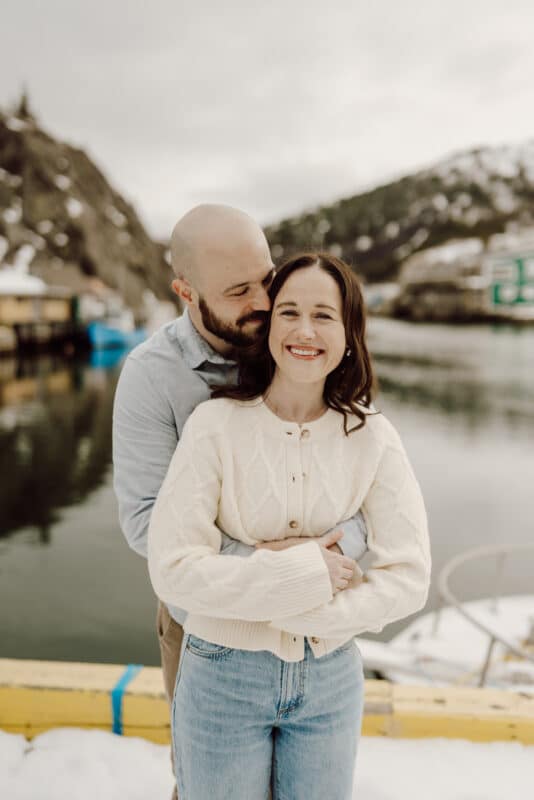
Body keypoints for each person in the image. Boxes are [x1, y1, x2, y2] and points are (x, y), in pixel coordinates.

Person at [147, 251, 431, 800]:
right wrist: (301, 572)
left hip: (330, 678)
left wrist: (313, 607)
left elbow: (409, 577)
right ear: (269, 326)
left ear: (350, 332)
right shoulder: (215, 425)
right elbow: (174, 570)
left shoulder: (373, 436)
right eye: (289, 312)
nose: (305, 331)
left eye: (324, 315)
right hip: (221, 675)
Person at [112, 207, 369, 795]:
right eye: (238, 291)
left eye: (266, 277)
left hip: (315, 629)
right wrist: (275, 566)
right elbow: (144, 521)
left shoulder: (304, 346)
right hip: (208, 628)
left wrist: (327, 558)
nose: (264, 300)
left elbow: (366, 484)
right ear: (186, 292)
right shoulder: (153, 378)